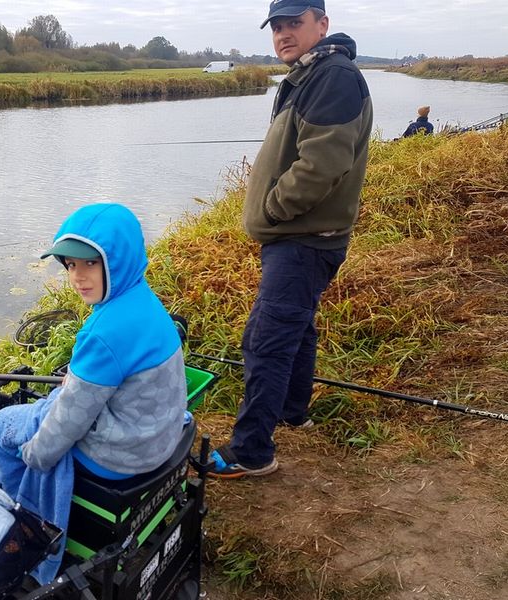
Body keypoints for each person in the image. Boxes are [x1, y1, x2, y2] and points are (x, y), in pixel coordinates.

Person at [0, 203, 188, 580]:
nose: (77, 276)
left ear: (118, 261)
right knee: (48, 407)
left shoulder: (103, 333)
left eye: (90, 263)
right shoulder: (144, 302)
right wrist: (77, 383)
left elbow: (68, 422)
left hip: (119, 456)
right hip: (157, 439)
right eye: (70, 265)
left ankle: (23, 523)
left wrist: (35, 455)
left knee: (0, 426)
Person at [208, 0, 373, 478]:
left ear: (322, 24)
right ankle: (292, 410)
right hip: (302, 238)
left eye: (294, 24)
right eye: (277, 26)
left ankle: (252, 452)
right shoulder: (309, 74)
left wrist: (272, 209)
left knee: (267, 341)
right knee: (296, 328)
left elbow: (322, 164)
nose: (283, 34)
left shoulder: (333, 76)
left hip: (302, 239)